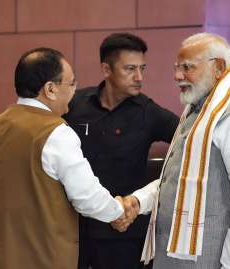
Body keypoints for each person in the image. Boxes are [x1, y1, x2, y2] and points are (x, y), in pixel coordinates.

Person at [0, 47, 126, 269]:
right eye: (71, 83)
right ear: (51, 89)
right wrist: (120, 210)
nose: (75, 91)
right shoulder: (57, 132)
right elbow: (88, 198)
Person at [116, 32, 230, 269]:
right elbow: (176, 179)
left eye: (187, 67)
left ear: (219, 67)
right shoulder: (197, 108)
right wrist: (139, 201)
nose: (177, 76)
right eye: (177, 67)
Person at [63, 33, 179, 269]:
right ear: (106, 69)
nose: (139, 77)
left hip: (123, 232)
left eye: (142, 69)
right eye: (130, 69)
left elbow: (193, 139)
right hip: (74, 229)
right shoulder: (75, 104)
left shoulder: (148, 112)